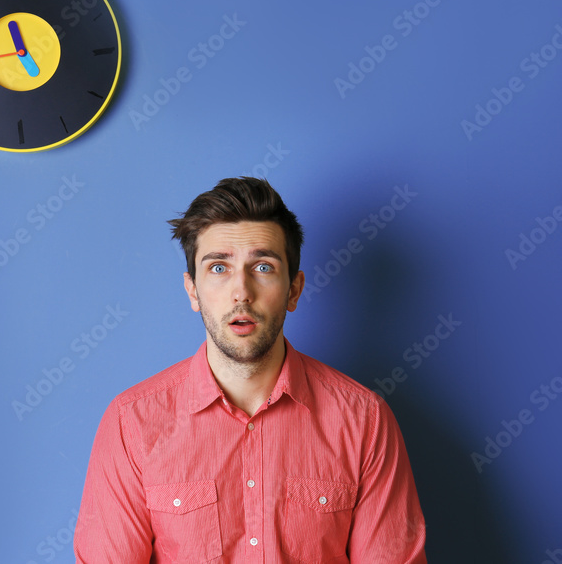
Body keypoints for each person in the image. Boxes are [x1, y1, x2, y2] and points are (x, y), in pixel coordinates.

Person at [74, 176, 426, 563]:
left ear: (293, 290)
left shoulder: (365, 421)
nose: (241, 291)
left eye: (262, 266)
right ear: (192, 290)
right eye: (219, 268)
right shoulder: (132, 423)